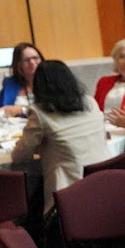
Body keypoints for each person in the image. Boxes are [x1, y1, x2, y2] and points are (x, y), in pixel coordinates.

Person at [10, 61, 109, 211]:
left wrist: (41, 147)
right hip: (105, 183)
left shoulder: (40, 112)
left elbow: (20, 156)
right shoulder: (90, 102)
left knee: (29, 202)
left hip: (68, 194)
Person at [0, 42, 43, 117]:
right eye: (26, 60)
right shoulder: (9, 84)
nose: (32, 62)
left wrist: (22, 110)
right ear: (19, 65)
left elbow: (54, 109)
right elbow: (1, 110)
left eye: (35, 58)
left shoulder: (50, 82)